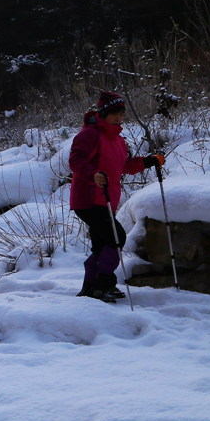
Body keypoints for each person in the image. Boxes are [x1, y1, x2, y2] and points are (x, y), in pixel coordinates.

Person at [68, 90, 164, 302]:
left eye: (121, 114)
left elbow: (125, 166)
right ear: (102, 114)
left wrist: (148, 162)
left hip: (106, 199)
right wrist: (93, 175)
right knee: (116, 238)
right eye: (114, 114)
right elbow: (76, 161)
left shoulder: (118, 141)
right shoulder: (89, 135)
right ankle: (104, 284)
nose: (118, 118)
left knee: (103, 244)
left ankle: (89, 288)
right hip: (88, 199)